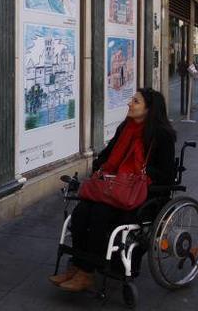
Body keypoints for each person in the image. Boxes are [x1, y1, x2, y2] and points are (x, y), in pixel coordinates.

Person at [49, 88, 177, 292]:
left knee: (100, 214)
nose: (129, 104)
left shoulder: (161, 136)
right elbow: (107, 154)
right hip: (111, 189)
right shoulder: (125, 127)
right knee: (81, 213)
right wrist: (102, 167)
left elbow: (166, 174)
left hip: (139, 196)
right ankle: (77, 265)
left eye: (135, 101)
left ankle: (87, 272)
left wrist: (134, 175)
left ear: (149, 109)